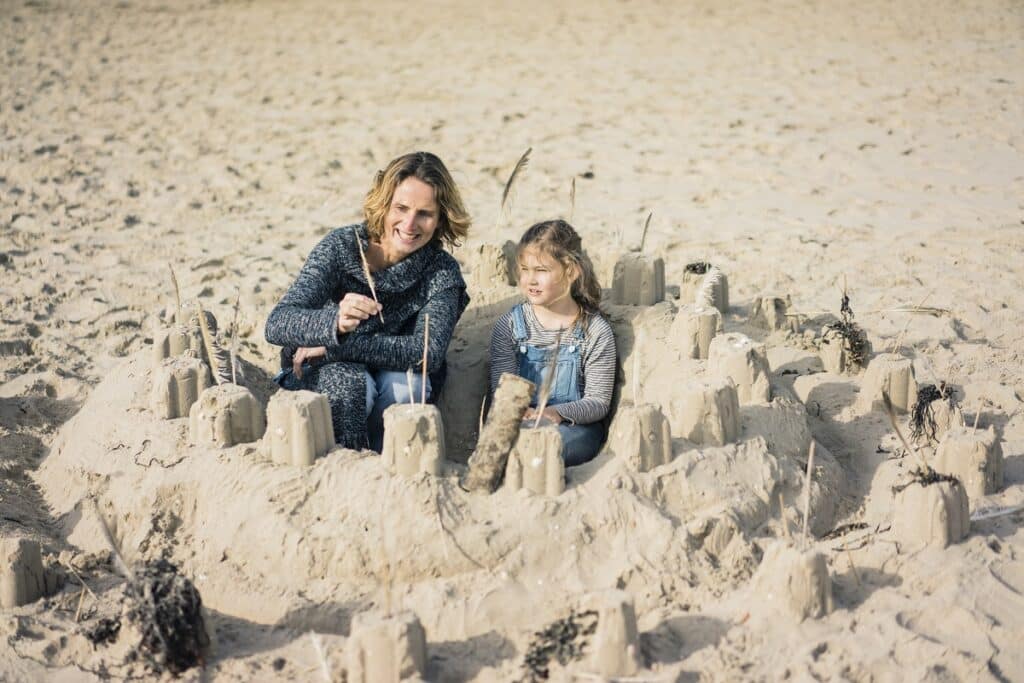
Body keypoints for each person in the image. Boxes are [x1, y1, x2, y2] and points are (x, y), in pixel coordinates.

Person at [265, 152, 470, 451]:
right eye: (401, 208)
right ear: (384, 204)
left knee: (409, 387)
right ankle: (347, 462)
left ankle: (385, 465)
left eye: (424, 213)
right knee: (348, 384)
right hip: (334, 370)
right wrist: (333, 322)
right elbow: (277, 324)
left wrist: (338, 344)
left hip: (386, 371)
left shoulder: (442, 271)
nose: (410, 224)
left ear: (440, 219)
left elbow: (427, 352)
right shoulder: (341, 247)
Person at [489, 219, 617, 466]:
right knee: (505, 446)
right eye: (525, 269)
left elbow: (598, 402)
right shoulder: (510, 327)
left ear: (571, 271)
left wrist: (557, 413)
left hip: (573, 426)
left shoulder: (595, 331)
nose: (530, 280)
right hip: (519, 420)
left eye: (541, 270)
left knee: (548, 448)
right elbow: (500, 391)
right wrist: (520, 413)